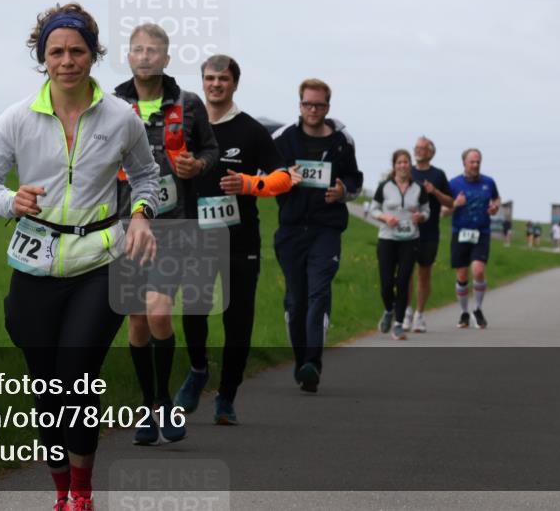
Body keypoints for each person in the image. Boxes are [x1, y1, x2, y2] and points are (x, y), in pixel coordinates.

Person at [0, 2, 160, 511]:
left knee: (77, 375)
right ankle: (61, 492)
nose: (67, 60)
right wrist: (10, 201)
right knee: (46, 385)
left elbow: (146, 176)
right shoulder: (18, 118)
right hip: (34, 262)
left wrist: (140, 214)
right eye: (56, 51)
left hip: (99, 262)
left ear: (93, 55)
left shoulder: (121, 119)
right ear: (42, 57)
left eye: (77, 50)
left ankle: (83, 492)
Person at [174, 55, 299, 425]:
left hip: (239, 239)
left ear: (234, 84)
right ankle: (198, 371)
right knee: (194, 309)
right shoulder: (186, 127)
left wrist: (249, 184)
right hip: (195, 236)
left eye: (223, 79)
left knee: (238, 320)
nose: (216, 84)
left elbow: (283, 177)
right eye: (210, 78)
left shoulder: (250, 130)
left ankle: (227, 397)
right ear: (202, 81)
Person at [114, 23, 219, 446]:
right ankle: (153, 405)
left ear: (166, 58)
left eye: (153, 50)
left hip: (175, 223)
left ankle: (163, 405)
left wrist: (200, 166)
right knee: (137, 319)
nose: (144, 56)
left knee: (159, 312)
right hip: (124, 224)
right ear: (128, 56)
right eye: (137, 49)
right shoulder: (112, 104)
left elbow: (210, 150)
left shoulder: (188, 104)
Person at [273, 78, 363, 392]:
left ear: (328, 106)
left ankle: (314, 362)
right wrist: (285, 179)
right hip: (292, 229)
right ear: (300, 105)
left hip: (327, 228)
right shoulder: (283, 139)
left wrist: (344, 191)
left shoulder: (342, 141)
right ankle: (302, 363)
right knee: (296, 301)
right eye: (308, 104)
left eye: (319, 105)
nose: (313, 110)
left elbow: (355, 180)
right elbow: (265, 176)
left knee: (318, 292)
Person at [370, 150, 430, 340]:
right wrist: (385, 217)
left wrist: (421, 216)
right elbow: (373, 209)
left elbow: (426, 211)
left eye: (406, 162)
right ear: (394, 165)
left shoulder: (418, 188)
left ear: (410, 165)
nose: (403, 165)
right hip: (387, 239)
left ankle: (398, 324)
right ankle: (389, 310)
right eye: (399, 162)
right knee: (387, 283)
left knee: (403, 281)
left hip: (410, 240)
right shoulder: (384, 186)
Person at [447, 148, 500, 329]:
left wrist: (495, 207)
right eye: (472, 162)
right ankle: (464, 313)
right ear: (464, 163)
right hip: (460, 233)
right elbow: (444, 211)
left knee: (477, 271)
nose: (476, 165)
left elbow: (497, 199)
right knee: (462, 275)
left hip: (481, 233)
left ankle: (477, 309)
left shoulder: (489, 182)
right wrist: (455, 204)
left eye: (478, 162)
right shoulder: (454, 184)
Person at [406, 136, 454, 333]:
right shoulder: (406, 171)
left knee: (424, 274)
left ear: (431, 152)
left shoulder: (438, 175)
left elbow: (450, 203)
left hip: (429, 232)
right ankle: (406, 312)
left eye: (423, 148)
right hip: (406, 232)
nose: (418, 151)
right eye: (416, 147)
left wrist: (434, 191)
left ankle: (419, 314)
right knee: (405, 273)